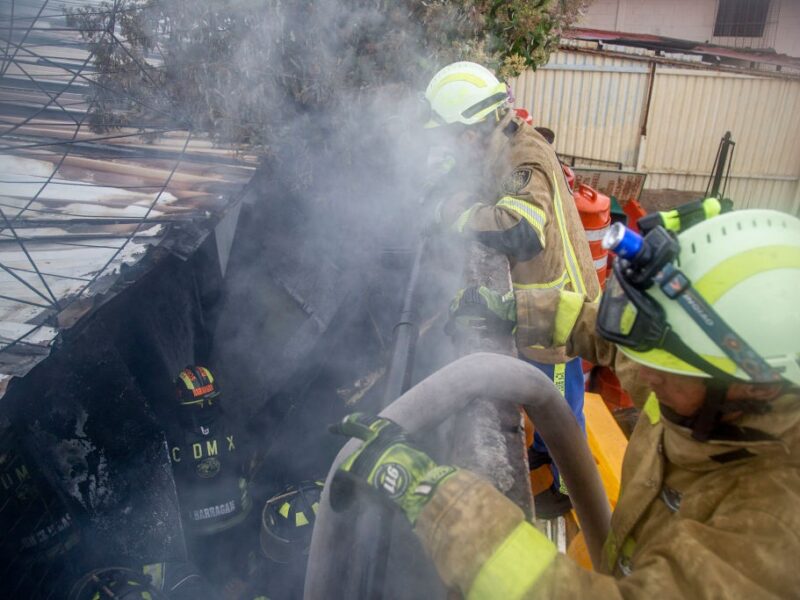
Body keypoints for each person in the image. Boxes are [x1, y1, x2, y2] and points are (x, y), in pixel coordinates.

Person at [330, 208, 800, 597]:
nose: (645, 375)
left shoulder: (773, 528)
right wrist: (517, 312)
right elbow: (616, 342)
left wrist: (437, 500)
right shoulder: (703, 389)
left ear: (757, 387)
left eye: (665, 367)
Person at [424, 61, 600, 515]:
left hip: (558, 312)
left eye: (449, 136)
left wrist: (457, 216)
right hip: (536, 300)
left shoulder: (523, 157)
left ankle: (568, 490)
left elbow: (521, 229)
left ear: (468, 133)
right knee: (540, 395)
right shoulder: (499, 143)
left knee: (560, 407)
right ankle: (544, 448)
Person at [168, 366, 254, 581]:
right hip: (236, 515)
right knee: (240, 573)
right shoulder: (232, 425)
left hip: (197, 526)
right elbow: (246, 462)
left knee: (205, 578)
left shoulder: (172, 436)